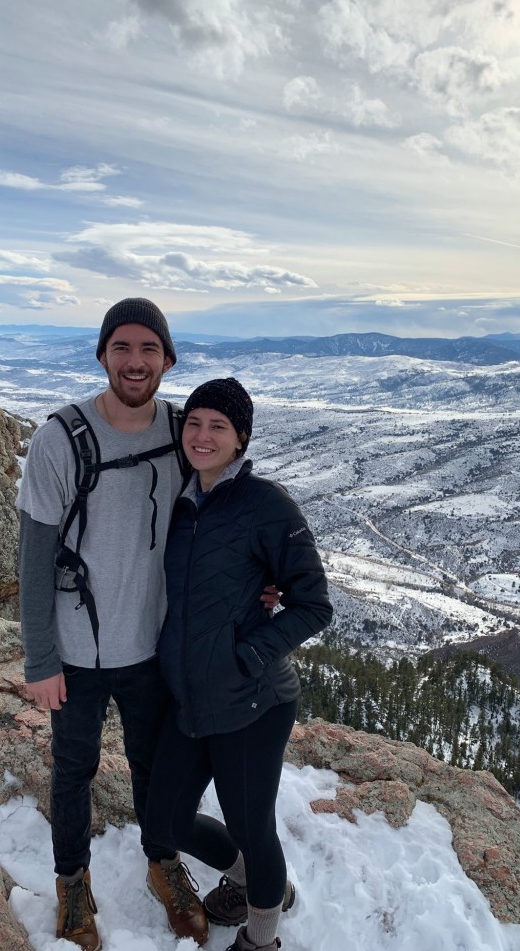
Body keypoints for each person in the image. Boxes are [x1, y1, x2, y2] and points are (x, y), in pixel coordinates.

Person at [17, 298, 214, 950]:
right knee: (73, 771)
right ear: (102, 354)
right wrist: (41, 659)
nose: (135, 361)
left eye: (149, 349)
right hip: (76, 649)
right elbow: (34, 554)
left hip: (151, 647)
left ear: (168, 359)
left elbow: (230, 515)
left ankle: (163, 864)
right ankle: (73, 884)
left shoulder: (186, 434)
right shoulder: (60, 438)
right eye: (122, 347)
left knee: (154, 767)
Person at [145, 377, 333, 951]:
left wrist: (247, 654)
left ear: (240, 438)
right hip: (192, 697)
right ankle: (257, 885)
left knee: (254, 827)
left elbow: (314, 604)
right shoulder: (179, 498)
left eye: (217, 426)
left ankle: (262, 936)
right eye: (194, 423)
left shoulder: (266, 506)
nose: (202, 436)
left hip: (253, 700)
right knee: (167, 824)